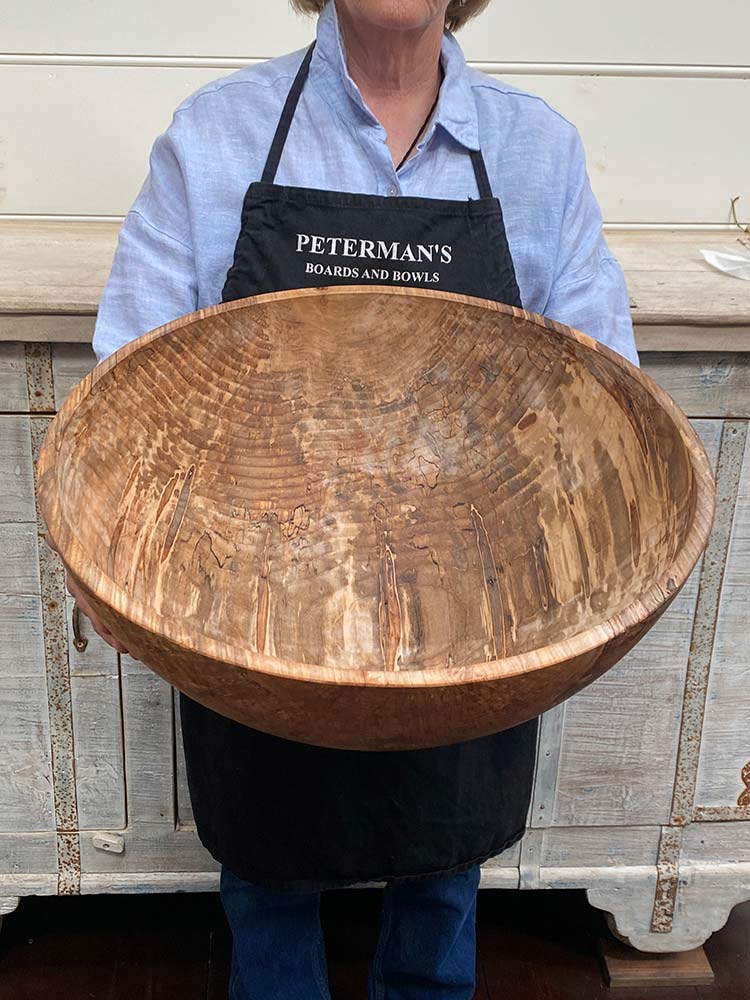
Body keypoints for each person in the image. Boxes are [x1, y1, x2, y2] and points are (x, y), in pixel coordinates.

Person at [66, 0, 641, 996]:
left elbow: (605, 410)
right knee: (268, 885)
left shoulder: (537, 154)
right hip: (254, 608)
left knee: (441, 880)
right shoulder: (217, 136)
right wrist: (104, 541)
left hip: (471, 619)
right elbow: (133, 390)